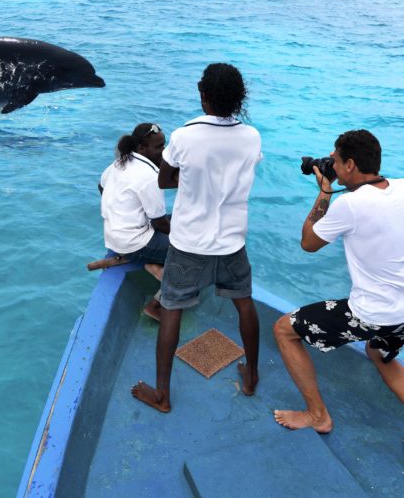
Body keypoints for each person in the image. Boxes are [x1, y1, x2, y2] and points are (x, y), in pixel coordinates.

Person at [132, 63, 263, 412]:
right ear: (239, 98)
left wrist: (190, 180)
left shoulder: (186, 135)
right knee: (244, 303)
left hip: (190, 243)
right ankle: (251, 377)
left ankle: (162, 395)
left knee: (172, 309)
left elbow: (164, 179)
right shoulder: (251, 136)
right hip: (232, 240)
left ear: (203, 95)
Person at [274, 129, 404, 434]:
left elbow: (308, 243)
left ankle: (317, 415)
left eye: (335, 159)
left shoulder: (350, 205)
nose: (331, 163)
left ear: (351, 165)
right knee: (379, 354)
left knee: (283, 330)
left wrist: (324, 191)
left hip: (374, 313)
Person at [100, 123, 170, 320]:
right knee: (191, 253)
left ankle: (150, 262)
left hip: (115, 236)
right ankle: (156, 306)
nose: (163, 152)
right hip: (134, 242)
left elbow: (101, 185)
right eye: (158, 147)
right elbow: (161, 225)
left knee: (181, 223)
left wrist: (120, 213)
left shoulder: (119, 162)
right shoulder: (149, 176)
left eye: (164, 145)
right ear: (142, 148)